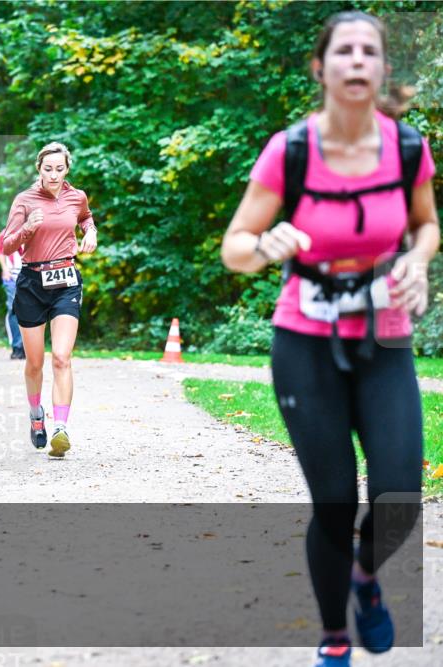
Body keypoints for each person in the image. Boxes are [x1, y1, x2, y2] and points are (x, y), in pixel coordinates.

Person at [220, 11, 438, 667]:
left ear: (381, 70)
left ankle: (367, 580)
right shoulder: (291, 150)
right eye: (344, 50)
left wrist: (419, 262)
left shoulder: (405, 148)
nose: (357, 60)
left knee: (399, 495)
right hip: (305, 342)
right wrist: (265, 243)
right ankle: (334, 637)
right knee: (336, 498)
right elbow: (234, 246)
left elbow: (427, 224)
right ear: (321, 67)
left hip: (384, 337)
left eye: (369, 51)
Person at [0, 142, 97, 458]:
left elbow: (85, 217)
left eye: (59, 168)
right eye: (47, 169)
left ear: (67, 168)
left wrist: (90, 231)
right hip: (31, 283)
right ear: (38, 169)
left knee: (61, 357)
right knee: (35, 363)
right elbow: (6, 245)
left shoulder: (76, 196)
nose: (53, 175)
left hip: (66, 281)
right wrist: (28, 228)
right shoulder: (25, 200)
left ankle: (61, 428)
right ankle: (36, 415)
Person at [0, 236, 25, 359]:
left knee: (29, 310)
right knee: (13, 309)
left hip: (28, 276)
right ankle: (17, 346)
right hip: (11, 277)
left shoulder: (33, 229)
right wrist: (4, 269)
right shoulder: (5, 233)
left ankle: (26, 346)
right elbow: (1, 252)